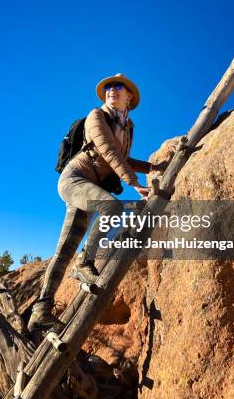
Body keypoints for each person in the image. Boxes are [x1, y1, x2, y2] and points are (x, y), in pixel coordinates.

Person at [27, 73, 167, 331]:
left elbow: (122, 157)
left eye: (119, 87)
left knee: (63, 250)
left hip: (90, 188)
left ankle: (40, 311)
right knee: (111, 207)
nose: (112, 89)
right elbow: (107, 151)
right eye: (109, 87)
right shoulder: (96, 116)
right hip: (74, 180)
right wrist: (134, 183)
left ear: (129, 97)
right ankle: (84, 262)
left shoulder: (127, 126)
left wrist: (152, 167)